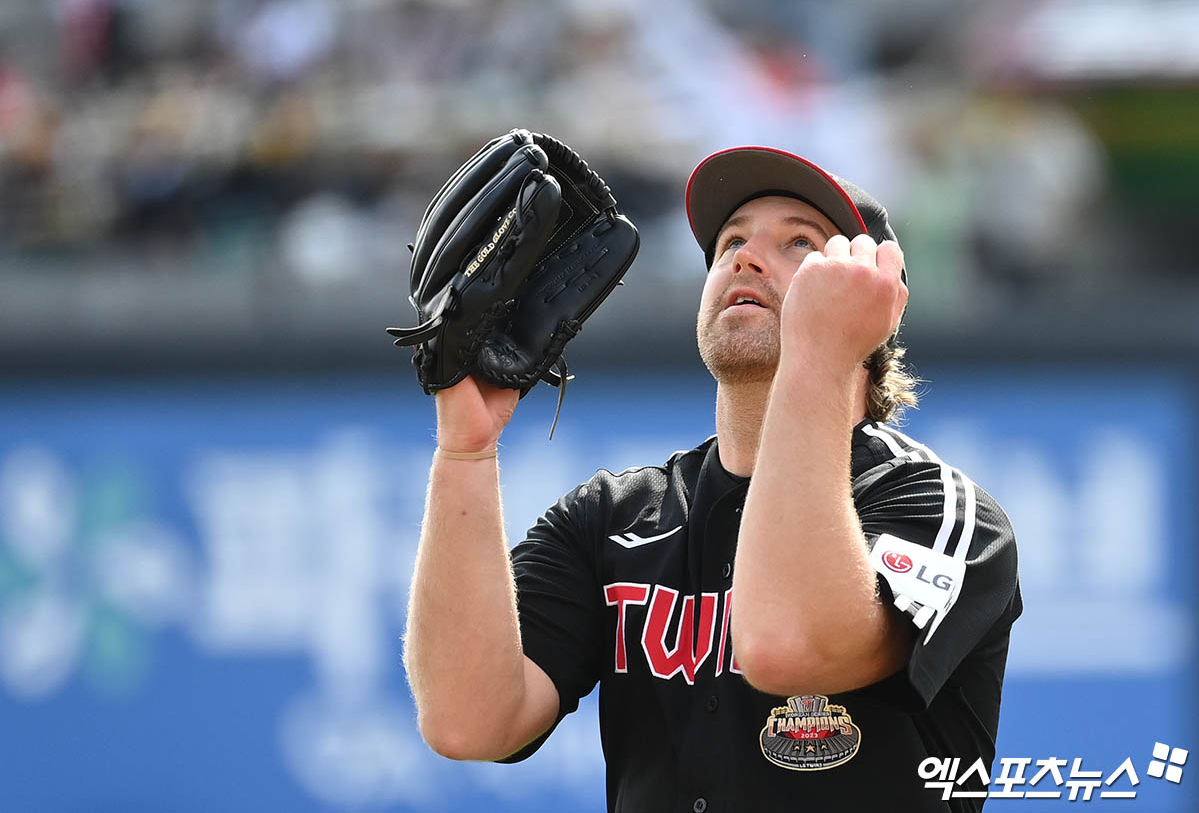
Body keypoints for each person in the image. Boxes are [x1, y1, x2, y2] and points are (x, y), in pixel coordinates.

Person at [403, 145, 1022, 813]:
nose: (746, 256)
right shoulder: (612, 517)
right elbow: (467, 721)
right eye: (731, 239)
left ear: (871, 302)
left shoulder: (936, 507)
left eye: (799, 244)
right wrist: (465, 451)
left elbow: (788, 647)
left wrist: (822, 353)